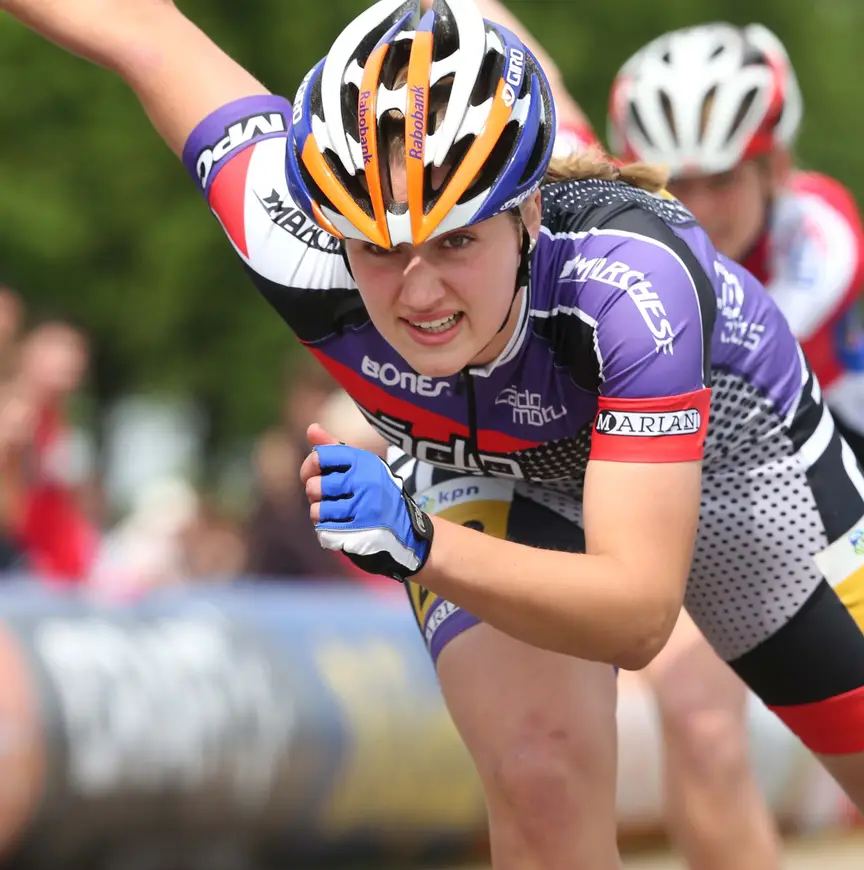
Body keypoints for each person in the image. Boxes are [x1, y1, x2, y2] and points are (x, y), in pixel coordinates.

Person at [5, 4, 864, 870]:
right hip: (482, 465)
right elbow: (146, 32)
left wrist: (417, 543)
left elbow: (638, 613)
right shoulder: (284, 229)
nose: (419, 293)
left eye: (456, 241)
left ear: (527, 214)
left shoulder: (629, 284)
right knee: (539, 777)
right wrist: (426, 536)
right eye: (378, 250)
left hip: (734, 457)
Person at [602, 23, 864, 869]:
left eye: (721, 180)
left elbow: (727, 351)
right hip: (709, 496)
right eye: (673, 183)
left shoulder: (820, 235)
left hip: (825, 475)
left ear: (773, 168)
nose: (698, 209)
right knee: (698, 714)